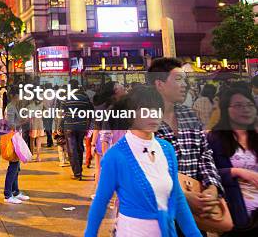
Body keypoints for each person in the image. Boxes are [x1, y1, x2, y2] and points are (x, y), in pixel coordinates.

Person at [85, 85, 201, 237]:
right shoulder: (115, 157)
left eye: (157, 110)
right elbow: (100, 203)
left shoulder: (166, 149)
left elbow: (178, 198)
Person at [149, 57, 224, 234]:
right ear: (159, 84)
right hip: (159, 216)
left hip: (196, 214)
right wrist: (183, 197)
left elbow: (205, 155)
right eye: (178, 79)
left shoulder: (190, 115)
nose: (185, 85)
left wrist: (212, 188)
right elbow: (143, 171)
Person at [207, 86, 258, 236]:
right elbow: (209, 174)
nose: (246, 109)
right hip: (238, 214)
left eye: (249, 105)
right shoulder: (214, 139)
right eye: (238, 105)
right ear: (226, 109)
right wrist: (237, 172)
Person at [1, 87, 30, 204]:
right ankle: (8, 194)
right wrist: (24, 121)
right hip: (13, 139)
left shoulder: (13, 106)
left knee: (16, 167)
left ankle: (15, 191)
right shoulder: (11, 107)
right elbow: (11, 124)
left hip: (15, 137)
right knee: (13, 167)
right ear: (15, 95)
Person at [62, 79, 93, 180]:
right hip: (81, 126)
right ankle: (79, 170)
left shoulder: (66, 98)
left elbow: (62, 113)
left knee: (72, 149)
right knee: (79, 147)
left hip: (69, 126)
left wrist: (59, 127)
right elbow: (90, 111)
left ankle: (77, 173)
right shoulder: (84, 98)